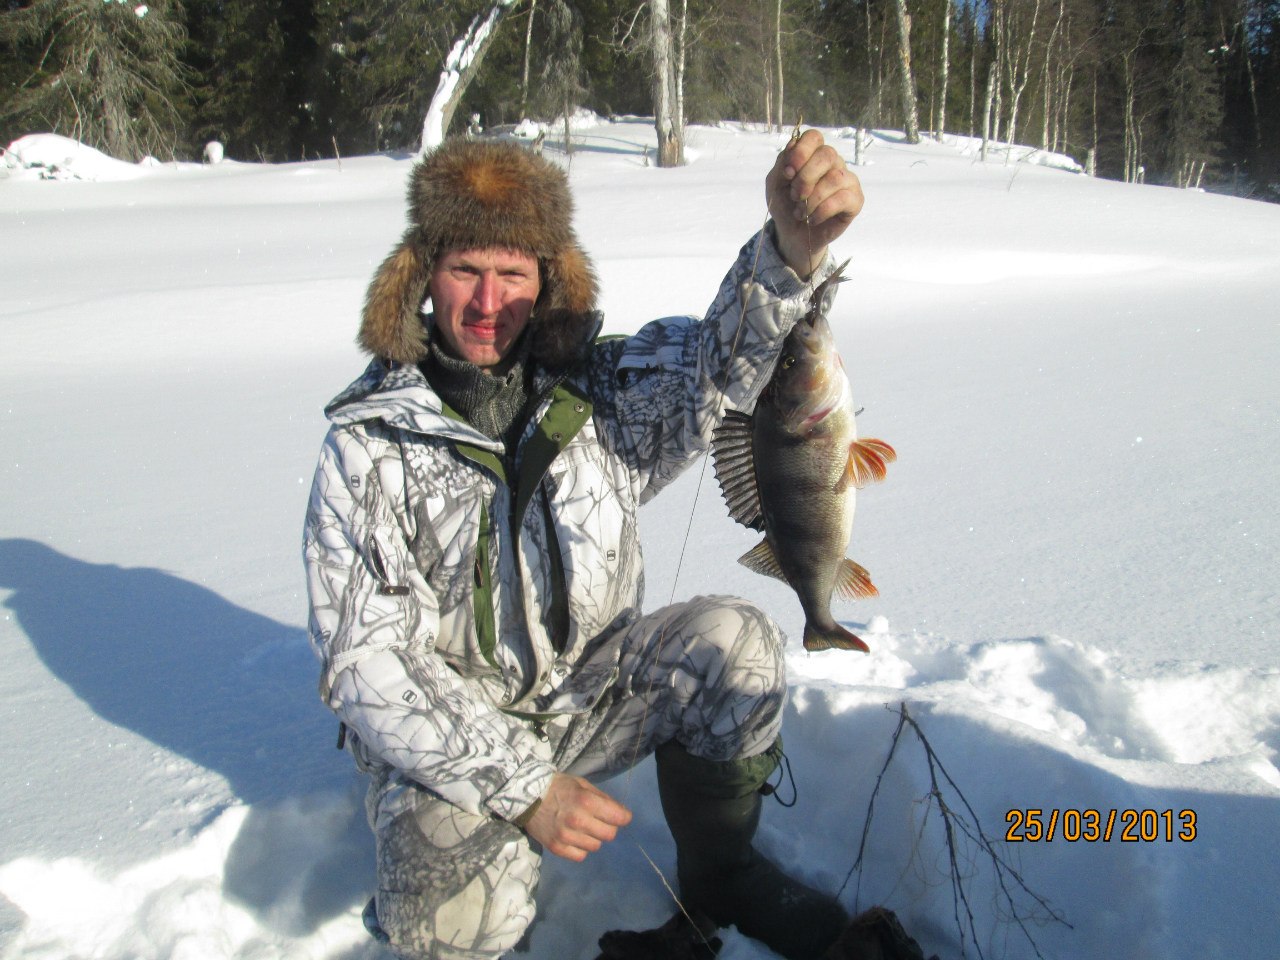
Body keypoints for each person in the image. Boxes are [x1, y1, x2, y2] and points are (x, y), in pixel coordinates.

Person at [303, 129, 864, 960]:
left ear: (548, 278)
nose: (488, 302)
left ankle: (723, 873)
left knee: (736, 644)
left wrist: (789, 253)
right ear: (421, 275)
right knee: (456, 926)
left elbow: (717, 367)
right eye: (465, 269)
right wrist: (526, 789)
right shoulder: (368, 445)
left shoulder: (603, 391)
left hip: (590, 697)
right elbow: (365, 662)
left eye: (512, 273)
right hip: (455, 742)